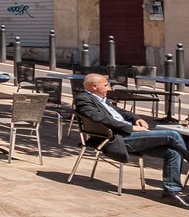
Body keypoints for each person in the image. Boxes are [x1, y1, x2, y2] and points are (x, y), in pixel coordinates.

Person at [74, 73, 188, 206]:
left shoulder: (102, 99)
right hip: (116, 140)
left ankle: (171, 193)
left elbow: (119, 112)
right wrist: (130, 127)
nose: (109, 88)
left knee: (173, 152)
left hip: (128, 137)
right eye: (106, 85)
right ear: (94, 86)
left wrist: (136, 118)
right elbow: (102, 119)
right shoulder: (84, 100)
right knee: (172, 135)